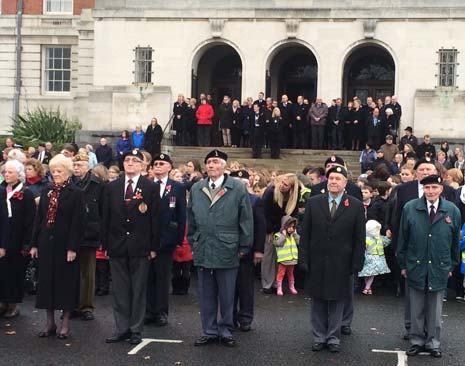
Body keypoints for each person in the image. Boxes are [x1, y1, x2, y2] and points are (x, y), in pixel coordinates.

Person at [187, 149, 253, 347]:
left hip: (228, 247)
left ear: (224, 165)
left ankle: (225, 329)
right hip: (204, 247)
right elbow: (191, 219)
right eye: (208, 162)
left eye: (216, 162)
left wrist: (244, 246)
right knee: (206, 293)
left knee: (226, 293)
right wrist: (194, 241)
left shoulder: (237, 188)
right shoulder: (197, 188)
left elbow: (246, 219)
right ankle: (209, 330)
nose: (211, 166)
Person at [300, 165, 365, 353]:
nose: (334, 182)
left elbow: (359, 238)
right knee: (317, 299)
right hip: (317, 259)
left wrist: (357, 262)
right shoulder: (314, 203)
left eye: (338, 178)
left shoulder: (355, 205)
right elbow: (306, 234)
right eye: (331, 179)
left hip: (342, 262)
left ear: (345, 183)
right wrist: (303, 258)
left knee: (338, 300)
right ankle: (319, 336)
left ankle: (333, 337)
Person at [397, 175, 460, 358]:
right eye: (427, 188)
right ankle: (416, 341)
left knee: (435, 308)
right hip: (415, 264)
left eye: (434, 187)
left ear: (441, 188)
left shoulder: (452, 210)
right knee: (416, 307)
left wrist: (451, 265)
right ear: (422, 189)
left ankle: (433, 342)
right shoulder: (410, 208)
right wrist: (402, 264)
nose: (430, 191)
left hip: (440, 265)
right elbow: (403, 239)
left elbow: (455, 241)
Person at [103, 149, 160, 345]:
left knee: (138, 289)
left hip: (141, 246)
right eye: (126, 160)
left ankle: (136, 329)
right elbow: (105, 218)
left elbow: (155, 219)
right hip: (117, 245)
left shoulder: (150, 187)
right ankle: (121, 328)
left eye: (135, 161)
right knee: (120, 290)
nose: (129, 163)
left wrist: (153, 246)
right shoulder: (112, 187)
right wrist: (106, 244)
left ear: (143, 165)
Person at [30, 154, 85, 339]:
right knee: (46, 283)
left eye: (59, 171)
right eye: (53, 171)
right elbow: (39, 219)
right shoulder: (47, 191)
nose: (56, 174)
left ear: (68, 172)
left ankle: (65, 323)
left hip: (65, 244)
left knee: (66, 283)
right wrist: (34, 244)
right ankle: (49, 322)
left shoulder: (76, 193)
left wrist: (73, 248)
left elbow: (78, 222)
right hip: (46, 242)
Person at [145, 153, 186, 327]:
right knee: (147, 277)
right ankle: (148, 311)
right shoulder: (146, 185)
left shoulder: (176, 187)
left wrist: (178, 239)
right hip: (147, 239)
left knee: (162, 277)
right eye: (155, 164)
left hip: (166, 239)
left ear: (169, 167)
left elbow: (181, 213)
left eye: (162, 163)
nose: (158, 166)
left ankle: (161, 312)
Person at [71, 153, 105, 321]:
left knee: (88, 273)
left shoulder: (98, 184)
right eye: (75, 165)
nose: (76, 168)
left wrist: (101, 233)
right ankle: (72, 304)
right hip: (71, 233)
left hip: (91, 232)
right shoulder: (69, 183)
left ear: (88, 166)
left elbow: (103, 210)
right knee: (72, 271)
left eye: (80, 165)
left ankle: (86, 306)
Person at [0, 161, 35, 318]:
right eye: (5, 172)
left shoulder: (26, 194)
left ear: (18, 174)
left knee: (14, 273)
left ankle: (13, 304)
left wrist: (27, 243)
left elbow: (30, 221)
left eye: (10, 172)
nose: (6, 175)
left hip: (18, 240)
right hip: (3, 237)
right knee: (2, 272)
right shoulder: (1, 190)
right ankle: (2, 302)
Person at [261, 174, 300, 294]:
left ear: (292, 188)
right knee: (269, 256)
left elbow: (292, 214)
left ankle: (276, 283)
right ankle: (267, 284)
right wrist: (269, 230)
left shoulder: (294, 197)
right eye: (282, 182)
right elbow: (264, 212)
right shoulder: (271, 191)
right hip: (270, 227)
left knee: (280, 257)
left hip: (283, 228)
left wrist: (288, 230)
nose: (282, 185)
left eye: (286, 184)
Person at [358, 220, 391, 295]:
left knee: (369, 274)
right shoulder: (369, 239)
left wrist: (388, 237)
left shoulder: (376, 238)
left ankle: (367, 287)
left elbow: (386, 242)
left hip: (372, 260)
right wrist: (388, 238)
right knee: (368, 274)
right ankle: (368, 287)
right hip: (370, 260)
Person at [273, 216, 299, 296]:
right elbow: (278, 243)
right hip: (283, 260)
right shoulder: (278, 235)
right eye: (289, 226)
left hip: (292, 260)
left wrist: (295, 234)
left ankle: (292, 286)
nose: (291, 229)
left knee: (291, 274)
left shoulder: (293, 236)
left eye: (293, 227)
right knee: (281, 274)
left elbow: (299, 242)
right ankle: (279, 287)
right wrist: (283, 236)